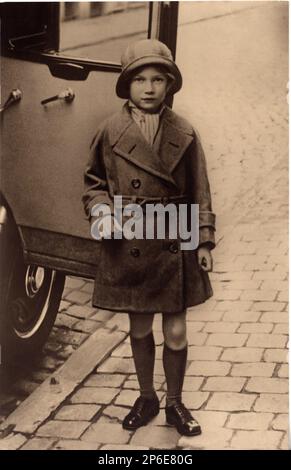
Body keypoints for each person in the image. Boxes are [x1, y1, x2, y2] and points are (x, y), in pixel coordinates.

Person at [82, 39, 215, 436]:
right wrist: (102, 210)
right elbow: (93, 183)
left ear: (170, 84)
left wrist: (204, 239)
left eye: (159, 79)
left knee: (176, 331)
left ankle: (175, 402)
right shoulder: (110, 130)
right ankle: (146, 397)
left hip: (175, 235)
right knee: (139, 328)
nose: (150, 87)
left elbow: (201, 189)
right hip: (131, 239)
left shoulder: (185, 131)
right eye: (140, 79)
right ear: (127, 85)